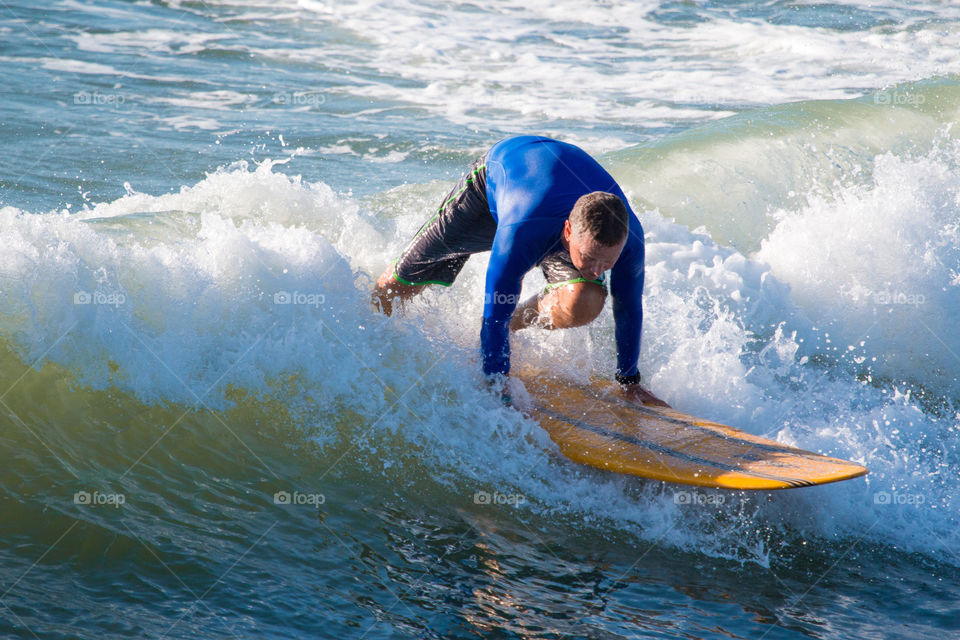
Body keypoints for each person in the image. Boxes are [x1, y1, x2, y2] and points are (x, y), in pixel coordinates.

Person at [372, 135, 667, 407]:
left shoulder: (629, 239)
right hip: (492, 186)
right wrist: (497, 384)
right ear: (567, 231)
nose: (598, 270)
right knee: (395, 287)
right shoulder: (522, 230)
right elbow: (495, 307)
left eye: (607, 262)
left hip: (554, 196)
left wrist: (628, 381)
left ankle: (512, 328)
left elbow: (628, 306)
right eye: (590, 259)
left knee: (584, 300)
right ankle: (368, 337)